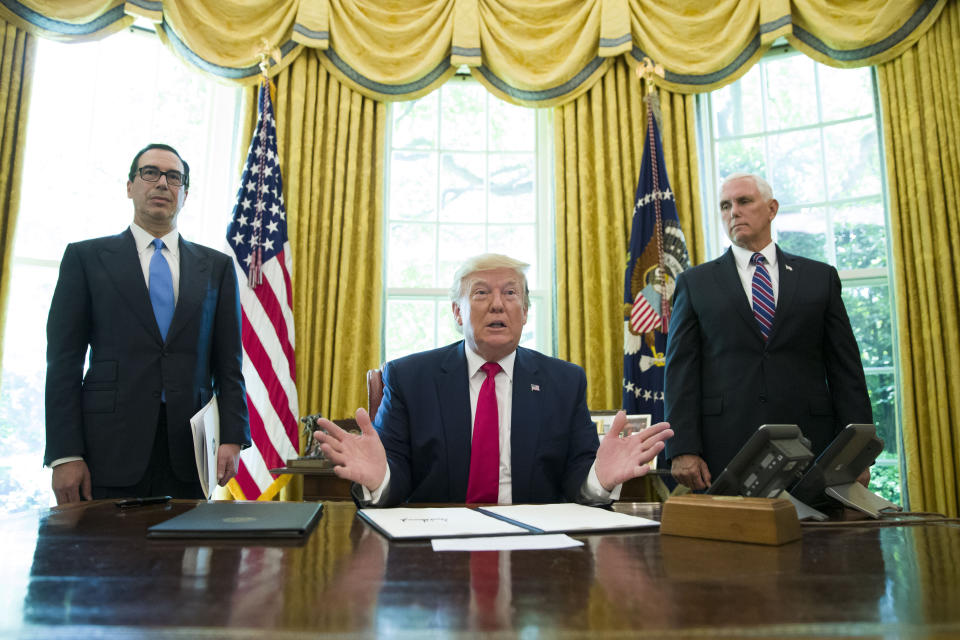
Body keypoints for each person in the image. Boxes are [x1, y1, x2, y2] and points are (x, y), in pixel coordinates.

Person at [314, 253, 673, 506]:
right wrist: (381, 480)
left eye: (511, 292)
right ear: (458, 311)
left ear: (526, 311)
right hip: (436, 552)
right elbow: (395, 474)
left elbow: (576, 478)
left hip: (536, 552)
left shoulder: (564, 382)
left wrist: (599, 479)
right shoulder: (409, 378)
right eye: (482, 293)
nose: (498, 304)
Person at [44, 143, 250, 504]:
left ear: (184, 193)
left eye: (174, 177)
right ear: (129, 186)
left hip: (191, 454)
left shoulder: (215, 268)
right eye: (150, 172)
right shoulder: (86, 259)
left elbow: (229, 365)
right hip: (107, 449)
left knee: (183, 560)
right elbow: (63, 364)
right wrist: (65, 454)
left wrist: (232, 436)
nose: (162, 184)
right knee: (105, 558)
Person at [664, 172, 873, 490]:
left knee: (819, 539)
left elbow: (846, 371)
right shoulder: (695, 283)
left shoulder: (819, 278)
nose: (733, 211)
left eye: (744, 201)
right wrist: (682, 448)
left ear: (772, 208)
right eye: (725, 205)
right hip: (724, 448)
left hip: (813, 447)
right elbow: (680, 372)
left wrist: (857, 452)